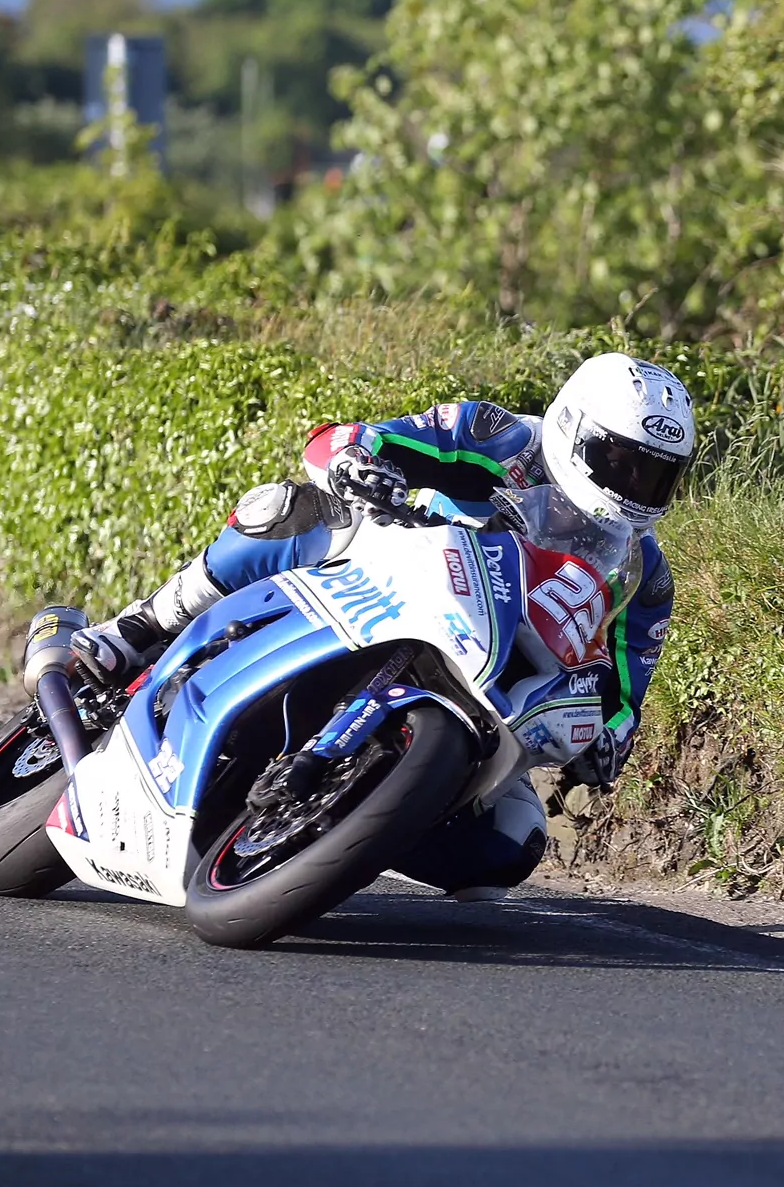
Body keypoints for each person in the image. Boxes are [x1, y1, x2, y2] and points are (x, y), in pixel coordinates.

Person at [70, 352, 695, 896]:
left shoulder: (645, 577)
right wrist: (356, 460)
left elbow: (625, 697)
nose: (633, 485)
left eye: (655, 473)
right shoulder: (498, 435)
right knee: (287, 509)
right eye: (618, 461)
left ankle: (355, 826)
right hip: (390, 577)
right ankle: (143, 628)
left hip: (499, 681)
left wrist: (608, 737)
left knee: (511, 846)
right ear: (573, 428)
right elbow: (344, 440)